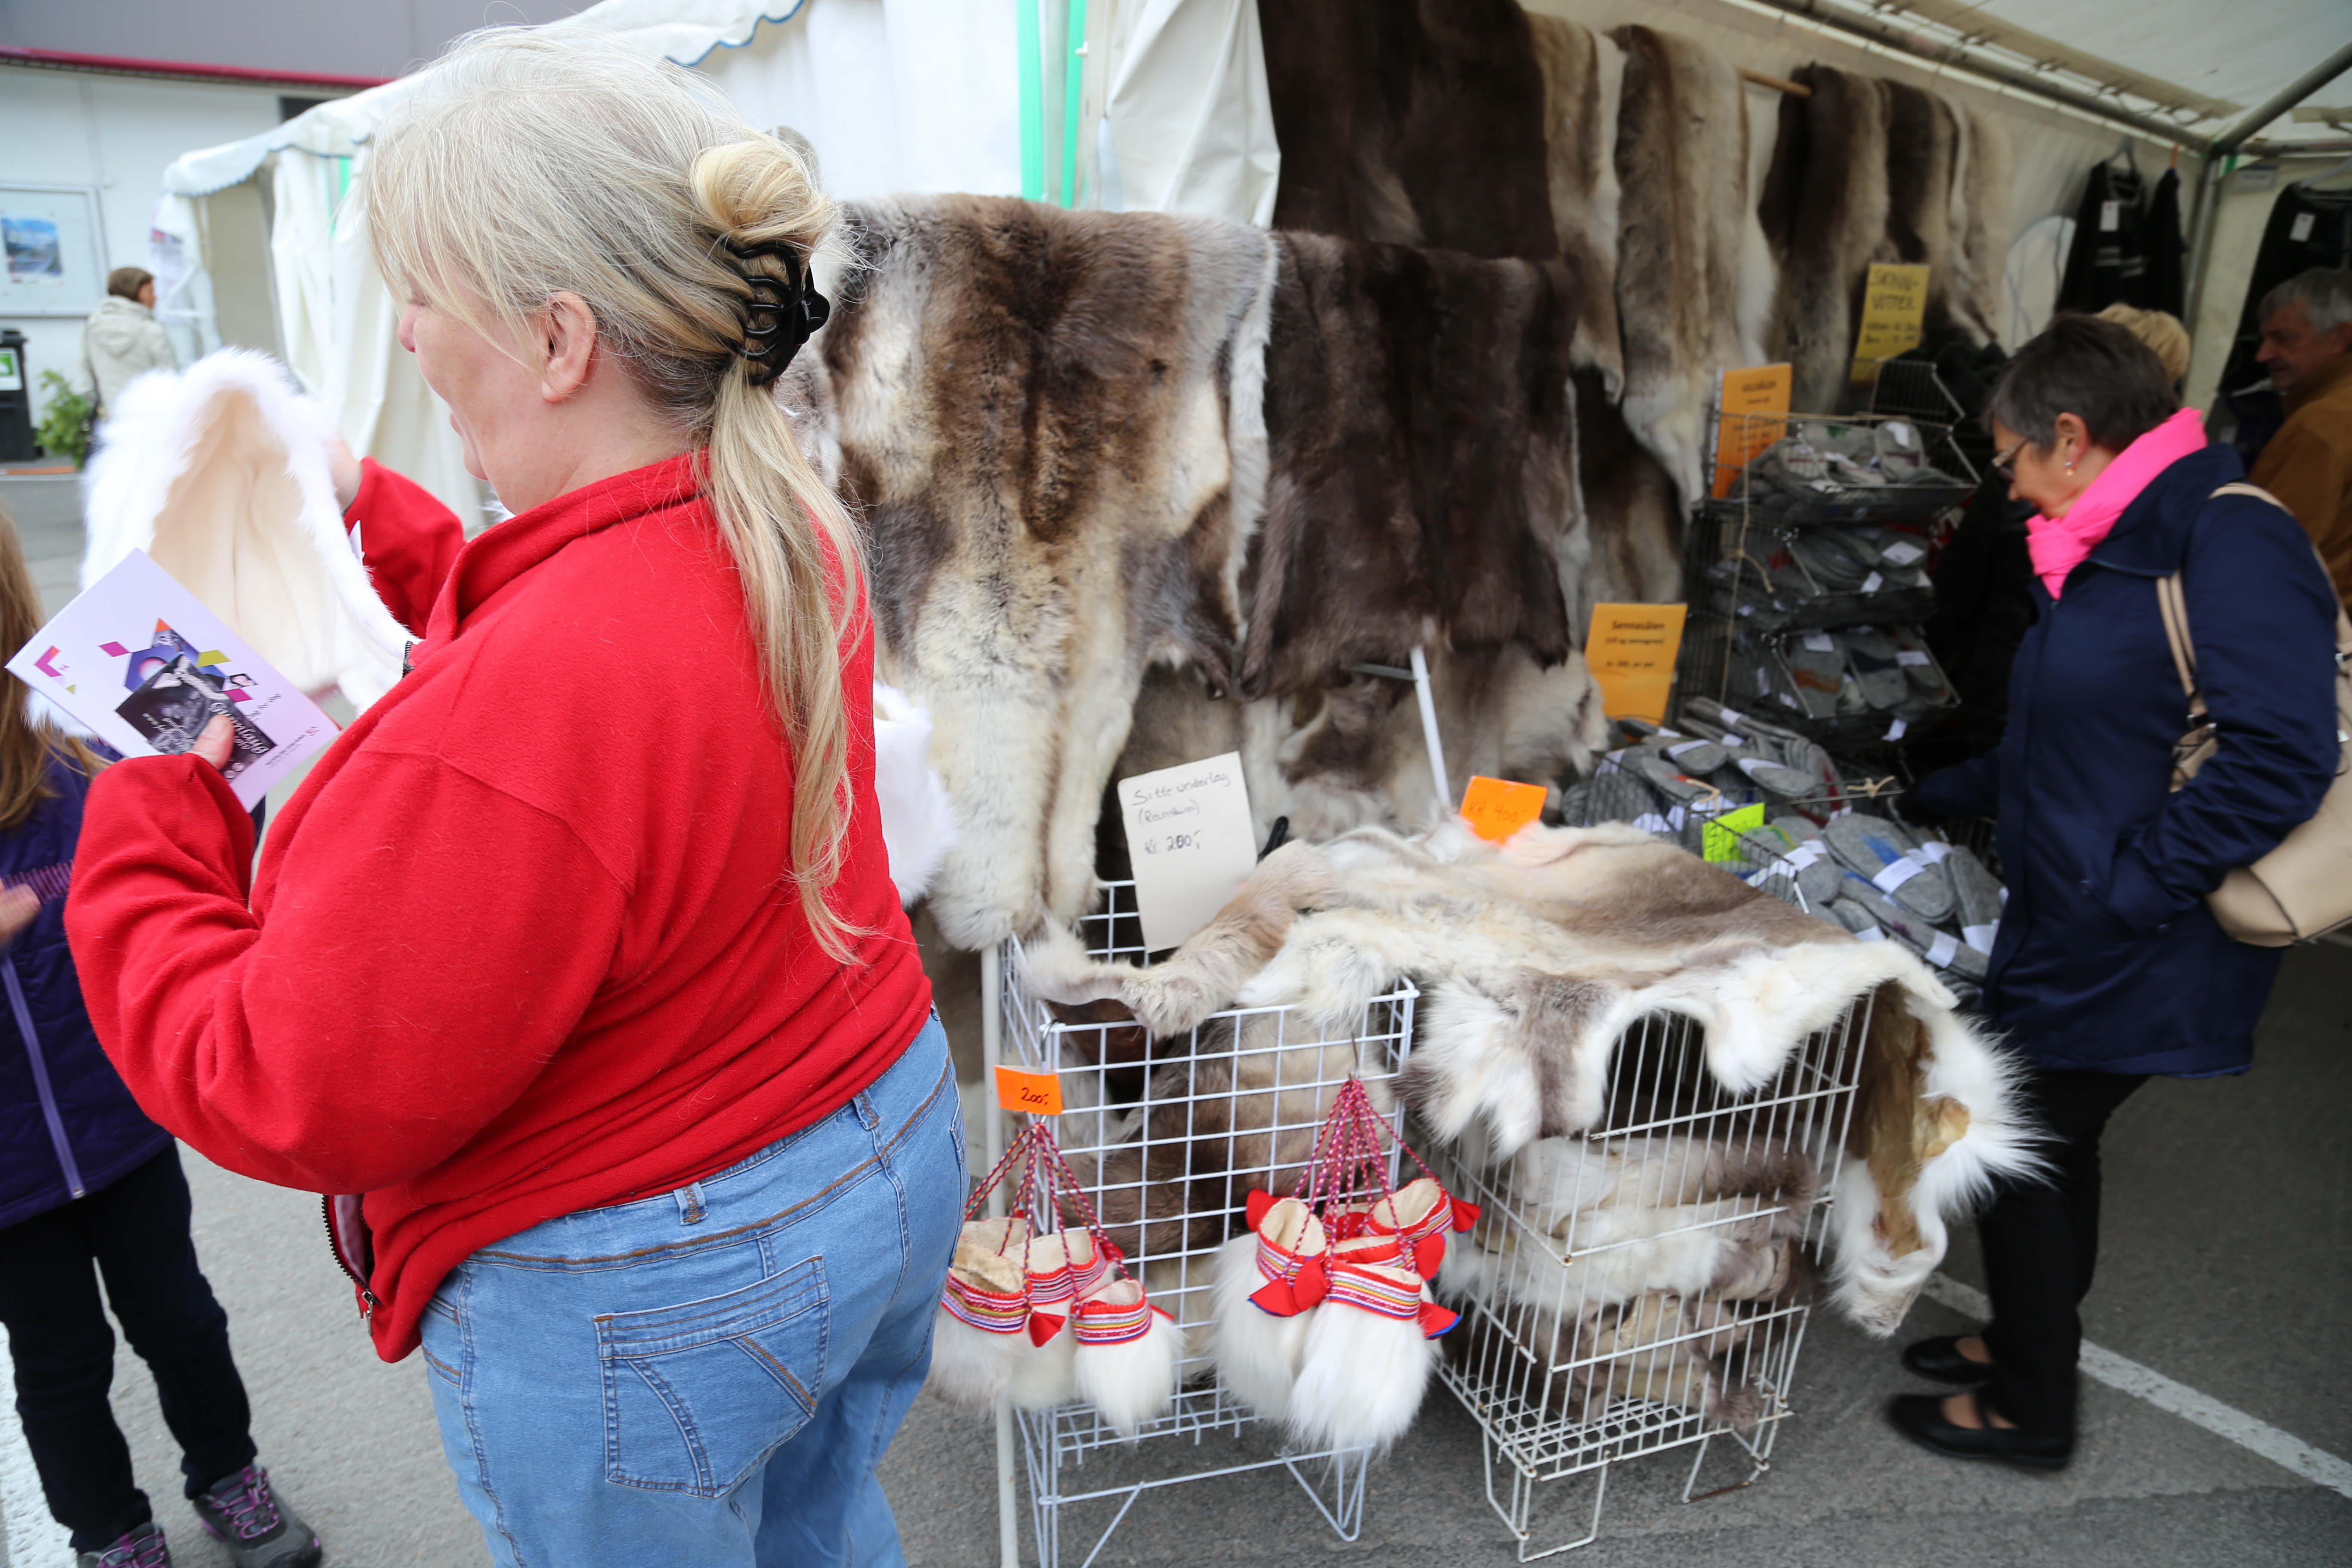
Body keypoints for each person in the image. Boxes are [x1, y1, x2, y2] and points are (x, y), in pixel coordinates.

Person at [64, 29, 959, 1568]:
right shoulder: (774, 517)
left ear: (557, 342)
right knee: (822, 1530)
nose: (404, 334)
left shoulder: (509, 723)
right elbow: (579, 644)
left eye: (421, 291)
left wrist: (150, 797)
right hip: (876, 1137)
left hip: (660, 1277)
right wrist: (366, 507)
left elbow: (278, 1072)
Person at [1891, 315, 2340, 1470]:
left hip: (2140, 927)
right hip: (2084, 911)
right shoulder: (2123, 532)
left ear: (2074, 438)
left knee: (2020, 1136)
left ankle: (2034, 1408)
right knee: (2054, 1142)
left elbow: (2282, 756)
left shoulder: (2228, 539)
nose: (2009, 489)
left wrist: (2136, 886)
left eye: (2013, 461)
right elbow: (2086, 732)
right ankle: (2025, 1345)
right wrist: (1939, 786)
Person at [0, 505, 320, 1568]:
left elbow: (203, 857)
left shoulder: (82, 776)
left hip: (125, 1128)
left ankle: (228, 1472)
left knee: (180, 1316)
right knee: (58, 1362)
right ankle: (110, 1530)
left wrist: (240, 749)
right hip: (5, 1178)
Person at [2247, 267, 2352, 609]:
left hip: (2319, 639)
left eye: (2284, 339)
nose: (2262, 354)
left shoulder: (2323, 424)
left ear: (2340, 338)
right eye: (2265, 339)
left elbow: (2261, 555)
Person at [80, 268, 178, 420]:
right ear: (134, 293)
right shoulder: (152, 331)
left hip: (113, 419)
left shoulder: (92, 328)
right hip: (153, 419)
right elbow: (170, 379)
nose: (155, 298)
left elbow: (85, 380)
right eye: (150, 292)